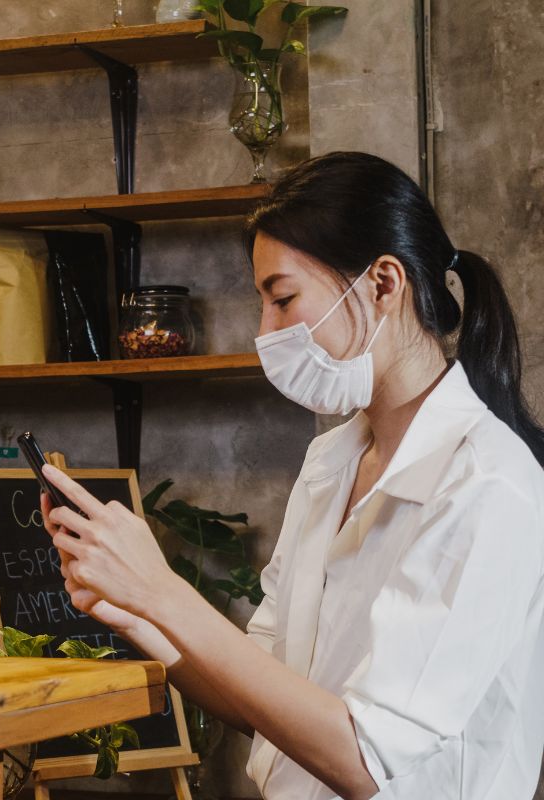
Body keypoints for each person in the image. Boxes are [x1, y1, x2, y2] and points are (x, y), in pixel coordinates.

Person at [42, 152, 544, 799]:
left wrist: (164, 590)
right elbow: (261, 692)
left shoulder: (489, 487)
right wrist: (136, 609)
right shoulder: (331, 462)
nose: (265, 333)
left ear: (384, 285)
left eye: (282, 300)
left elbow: (365, 760)